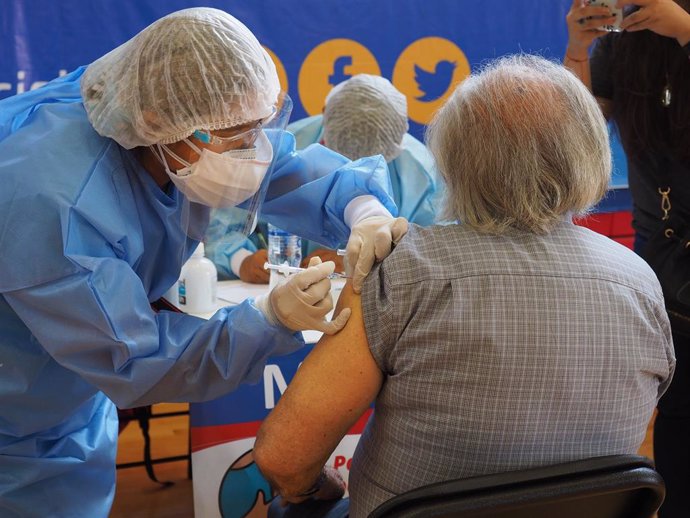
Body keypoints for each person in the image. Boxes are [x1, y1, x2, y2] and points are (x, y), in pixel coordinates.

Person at [0, 8, 408, 517]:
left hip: (62, 399)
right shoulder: (57, 208)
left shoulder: (161, 124)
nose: (255, 152)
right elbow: (137, 358)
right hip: (13, 421)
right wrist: (266, 320)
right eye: (237, 137)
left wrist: (360, 207)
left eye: (259, 127)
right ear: (155, 124)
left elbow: (287, 167)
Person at [253, 55, 675, 518]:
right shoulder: (641, 284)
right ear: (592, 155)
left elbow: (284, 459)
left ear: (452, 160)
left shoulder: (401, 272)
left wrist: (318, 491)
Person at [564, 1, 690, 515]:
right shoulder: (622, 44)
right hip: (661, 253)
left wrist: (684, 28)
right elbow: (574, 142)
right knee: (677, 413)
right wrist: (579, 48)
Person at [208, 74, 440, 283]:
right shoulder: (284, 148)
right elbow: (221, 222)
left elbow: (435, 255)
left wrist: (368, 259)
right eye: (338, 161)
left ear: (396, 146)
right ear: (324, 113)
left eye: (370, 167)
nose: (350, 181)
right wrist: (240, 259)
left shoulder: (424, 176)